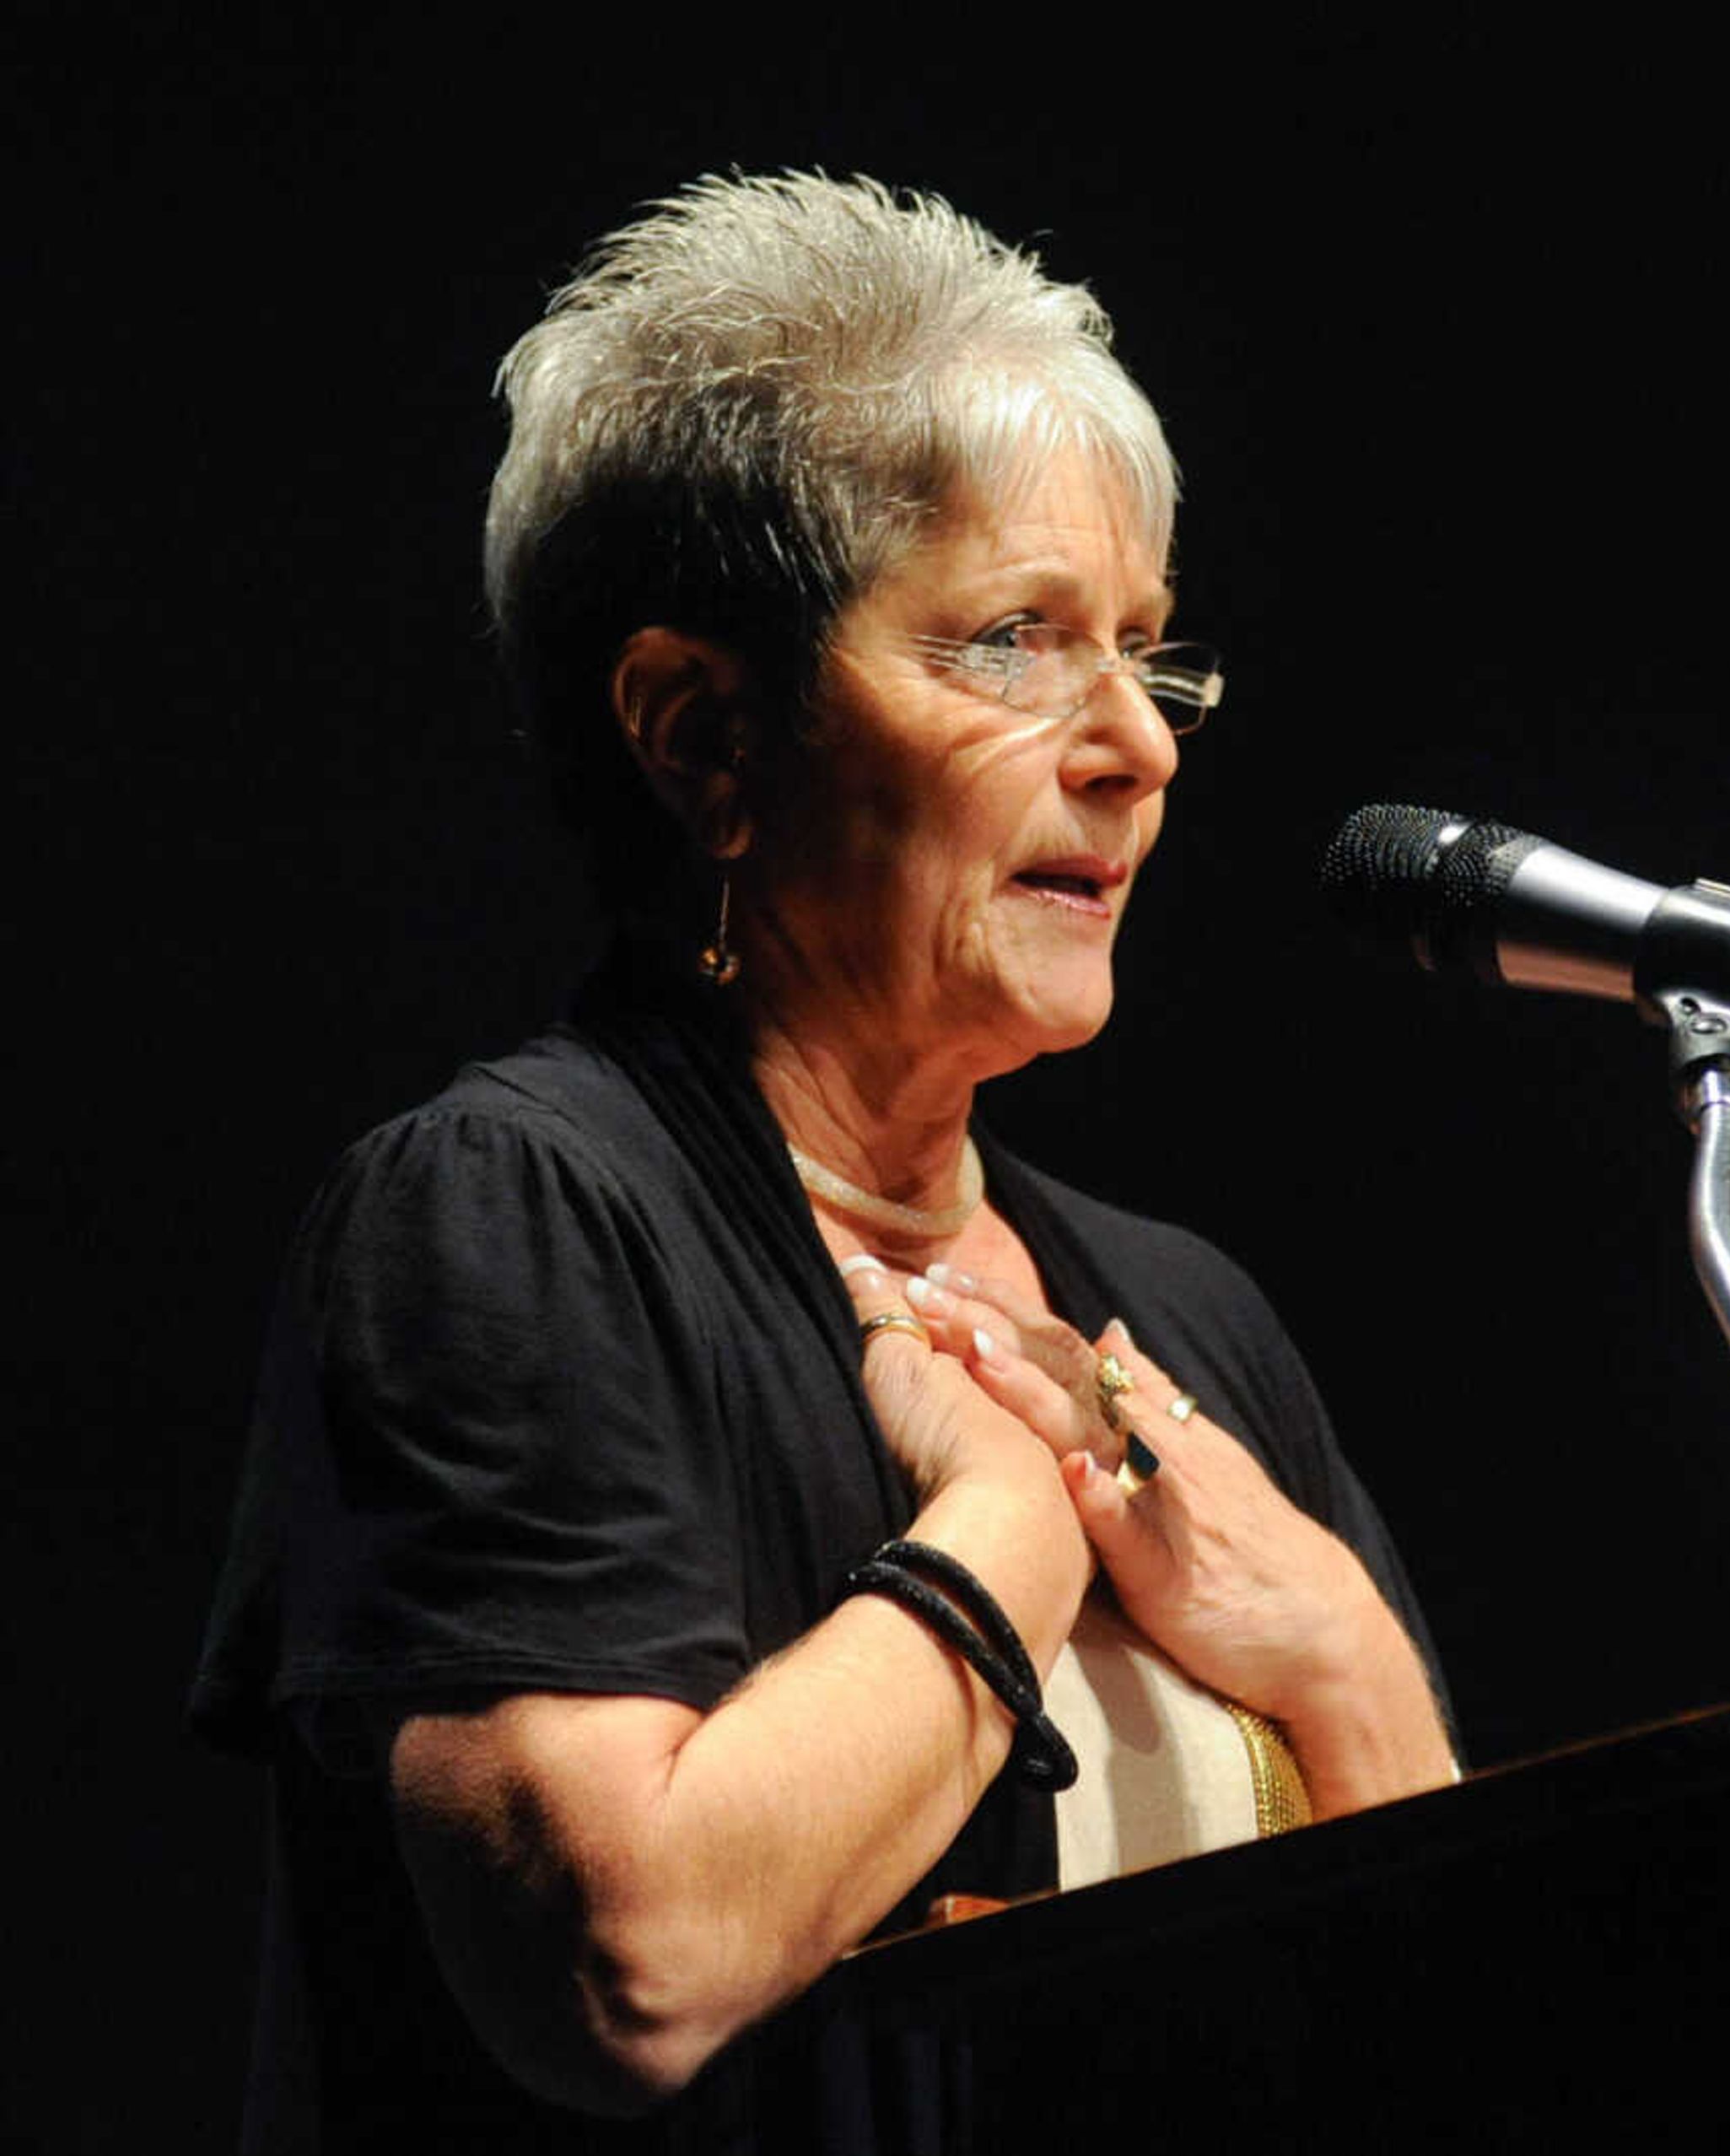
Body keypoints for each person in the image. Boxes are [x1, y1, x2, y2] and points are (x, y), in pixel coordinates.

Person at [188, 171, 1458, 2149]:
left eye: (1149, 648)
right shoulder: (513, 1219)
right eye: (1016, 644)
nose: (1140, 744)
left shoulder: (1189, 1310)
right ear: (703, 737)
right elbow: (637, 1966)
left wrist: (1347, 1658)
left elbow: (1467, 2012)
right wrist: (1015, 1526)